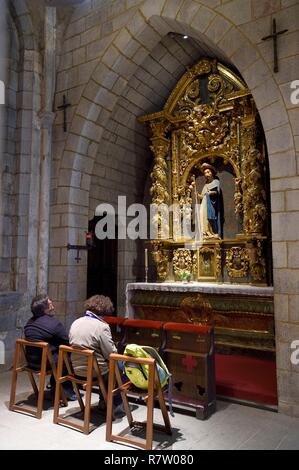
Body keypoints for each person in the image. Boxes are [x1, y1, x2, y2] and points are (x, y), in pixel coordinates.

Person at [69, 295, 125, 415]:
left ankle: (103, 401)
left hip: (77, 370)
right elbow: (111, 353)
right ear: (105, 311)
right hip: (94, 371)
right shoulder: (102, 327)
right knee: (120, 365)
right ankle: (116, 404)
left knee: (107, 366)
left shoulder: (76, 322)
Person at [24, 294, 77, 400]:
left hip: (31, 361)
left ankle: (55, 384)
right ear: (45, 309)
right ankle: (65, 390)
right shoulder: (53, 324)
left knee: (60, 354)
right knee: (66, 354)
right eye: (49, 302)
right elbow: (67, 341)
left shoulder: (29, 323)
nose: (52, 302)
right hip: (44, 363)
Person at [193, 162, 224, 240]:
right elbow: (202, 196)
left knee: (211, 218)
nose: (206, 174)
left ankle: (213, 232)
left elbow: (217, 192)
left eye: (208, 172)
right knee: (204, 218)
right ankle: (206, 233)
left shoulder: (216, 182)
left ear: (212, 173)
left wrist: (210, 193)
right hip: (204, 204)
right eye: (205, 173)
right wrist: (197, 195)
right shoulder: (206, 185)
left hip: (212, 204)